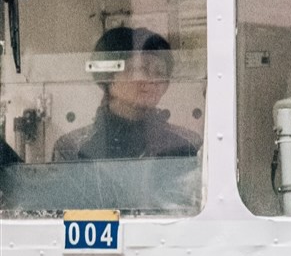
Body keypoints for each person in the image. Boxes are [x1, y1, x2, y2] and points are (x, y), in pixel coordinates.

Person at [53, 27, 200, 163]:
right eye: (140, 69)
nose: (151, 80)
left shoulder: (188, 145)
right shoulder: (72, 148)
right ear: (109, 77)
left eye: (160, 72)